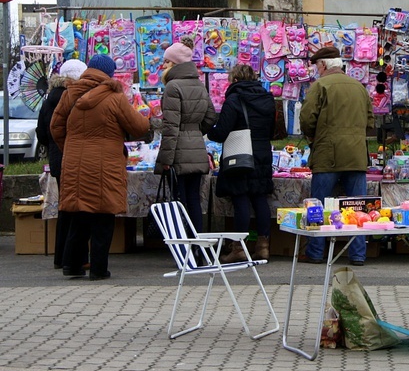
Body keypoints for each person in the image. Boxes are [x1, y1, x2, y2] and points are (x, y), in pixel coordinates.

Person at [50, 54, 150, 280]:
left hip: (75, 163)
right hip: (106, 164)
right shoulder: (115, 97)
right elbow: (138, 126)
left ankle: (73, 266)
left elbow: (55, 126)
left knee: (79, 214)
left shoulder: (69, 94)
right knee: (103, 218)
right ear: (109, 74)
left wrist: (70, 149)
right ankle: (98, 269)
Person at [299, 47, 374, 266]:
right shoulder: (359, 87)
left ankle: (315, 253)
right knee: (357, 207)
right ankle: (358, 254)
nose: (316, 70)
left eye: (316, 66)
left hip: (327, 154)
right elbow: (370, 121)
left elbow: (306, 118)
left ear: (322, 65)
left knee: (318, 206)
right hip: (356, 154)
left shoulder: (320, 86)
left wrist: (314, 137)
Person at [208, 64, 275, 261]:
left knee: (241, 199)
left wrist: (208, 130)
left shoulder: (234, 99)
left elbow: (221, 132)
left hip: (241, 153)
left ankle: (238, 249)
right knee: (260, 198)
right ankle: (263, 246)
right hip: (262, 153)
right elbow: (272, 130)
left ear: (234, 80)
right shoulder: (267, 99)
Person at [155, 37, 217, 233]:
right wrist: (195, 133)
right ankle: (196, 247)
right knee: (193, 201)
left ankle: (183, 248)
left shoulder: (173, 87)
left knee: (178, 202)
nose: (163, 65)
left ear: (174, 63)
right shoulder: (199, 85)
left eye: (166, 61)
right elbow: (211, 116)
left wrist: (165, 159)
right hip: (197, 151)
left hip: (178, 154)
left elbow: (170, 127)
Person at [36, 59, 88, 270]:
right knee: (76, 209)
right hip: (73, 157)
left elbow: (41, 131)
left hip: (57, 159)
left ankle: (61, 256)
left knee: (65, 208)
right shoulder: (72, 98)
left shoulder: (49, 98)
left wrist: (52, 146)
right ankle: (73, 258)